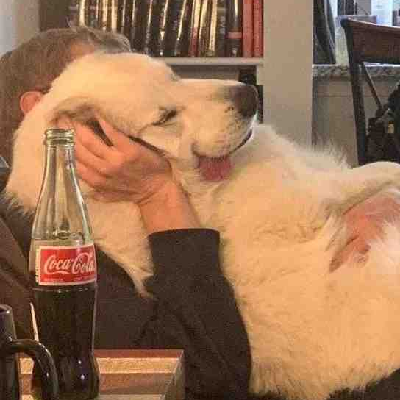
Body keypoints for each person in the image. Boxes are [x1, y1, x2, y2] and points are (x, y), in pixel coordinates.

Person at [1, 26, 400, 400]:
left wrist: (377, 202)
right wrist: (157, 193)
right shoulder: (54, 247)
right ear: (44, 111)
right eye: (163, 116)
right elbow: (209, 373)